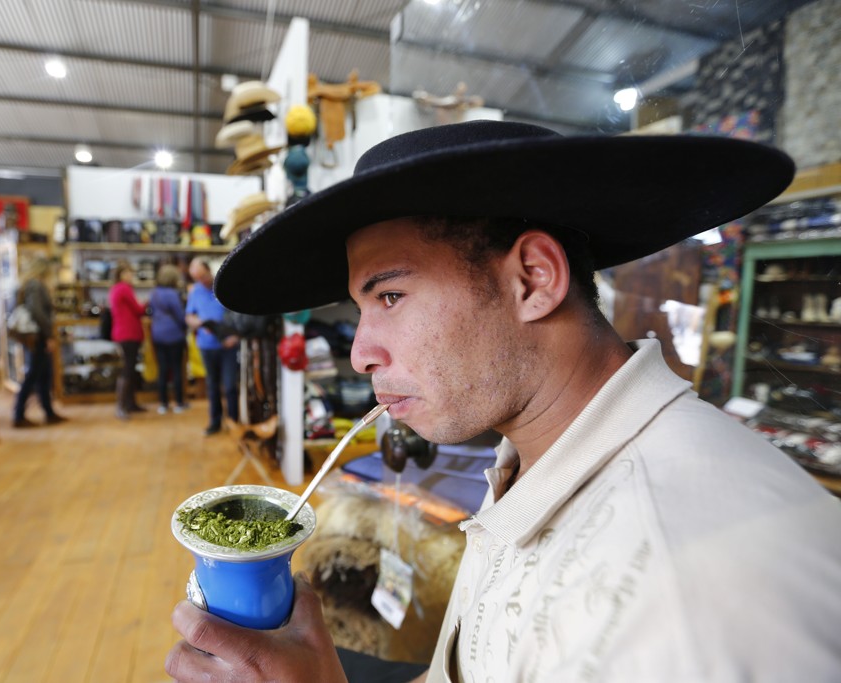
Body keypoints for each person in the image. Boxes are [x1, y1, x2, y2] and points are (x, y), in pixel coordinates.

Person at [165, 121, 841, 682]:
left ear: (533, 278)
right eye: (362, 305)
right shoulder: (536, 453)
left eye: (390, 295)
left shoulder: (686, 593)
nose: (361, 351)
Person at [185, 257, 239, 436]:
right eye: (197, 278)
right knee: (212, 385)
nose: (202, 281)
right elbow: (189, 317)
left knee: (230, 385)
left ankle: (233, 421)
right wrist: (200, 324)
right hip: (207, 346)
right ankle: (215, 421)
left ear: (209, 271)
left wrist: (235, 336)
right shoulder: (195, 292)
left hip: (228, 346)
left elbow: (239, 316)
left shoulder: (224, 287)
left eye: (203, 276)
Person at [12, 256, 66, 428]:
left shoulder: (30, 284)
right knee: (34, 375)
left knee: (43, 375)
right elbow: (37, 311)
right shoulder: (35, 285)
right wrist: (49, 335)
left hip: (37, 335)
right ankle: (19, 414)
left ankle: (48, 411)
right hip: (38, 336)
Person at [148, 263, 189, 414]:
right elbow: (179, 315)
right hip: (174, 334)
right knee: (177, 369)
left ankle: (163, 404)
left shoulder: (154, 293)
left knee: (163, 370)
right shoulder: (172, 294)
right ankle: (179, 402)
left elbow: (151, 312)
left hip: (158, 334)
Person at [109, 261, 147, 420]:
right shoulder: (124, 289)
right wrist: (145, 303)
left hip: (123, 333)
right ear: (121, 275)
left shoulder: (115, 289)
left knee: (130, 369)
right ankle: (122, 406)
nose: (131, 276)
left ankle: (130, 404)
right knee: (127, 370)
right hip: (128, 334)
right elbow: (138, 310)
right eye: (128, 273)